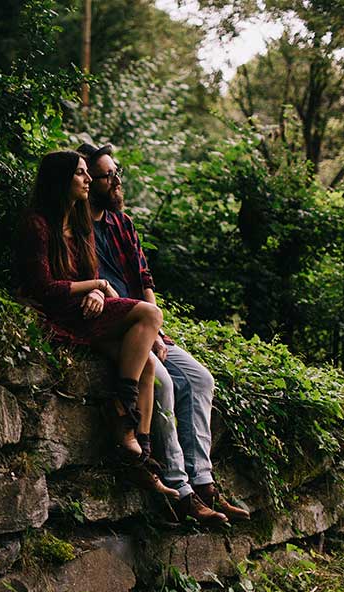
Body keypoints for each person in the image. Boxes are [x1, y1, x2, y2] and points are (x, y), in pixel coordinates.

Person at [77, 141, 251, 525]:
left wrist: (156, 324)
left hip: (146, 322)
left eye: (115, 172)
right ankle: (180, 490)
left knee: (200, 379)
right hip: (114, 323)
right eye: (107, 175)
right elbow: (72, 279)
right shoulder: (75, 227)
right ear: (91, 181)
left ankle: (204, 483)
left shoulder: (122, 224)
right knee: (165, 384)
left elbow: (143, 277)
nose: (115, 180)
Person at [15, 150, 177, 497]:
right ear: (60, 180)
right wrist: (99, 287)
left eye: (89, 173)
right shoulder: (38, 224)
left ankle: (141, 460)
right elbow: (42, 288)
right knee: (150, 314)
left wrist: (99, 295)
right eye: (80, 173)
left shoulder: (81, 223)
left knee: (147, 363)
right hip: (60, 315)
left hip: (88, 314)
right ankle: (122, 407)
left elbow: (90, 273)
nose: (87, 180)